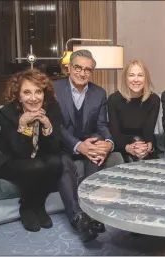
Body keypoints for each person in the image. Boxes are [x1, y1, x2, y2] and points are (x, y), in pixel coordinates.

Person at [0, 69, 63, 232]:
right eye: (27, 92)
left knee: (56, 162)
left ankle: (39, 205)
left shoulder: (52, 108)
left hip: (36, 157)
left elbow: (53, 148)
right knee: (36, 166)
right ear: (18, 96)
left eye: (38, 92)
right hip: (6, 159)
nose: (33, 98)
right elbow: (21, 153)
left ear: (44, 94)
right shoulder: (7, 113)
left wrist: (47, 126)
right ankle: (26, 207)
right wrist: (23, 126)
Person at [54, 50, 120, 242]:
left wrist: (108, 143)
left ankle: (91, 214)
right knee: (62, 165)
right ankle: (78, 217)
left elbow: (102, 125)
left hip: (90, 144)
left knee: (97, 159)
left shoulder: (99, 93)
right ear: (69, 68)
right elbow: (55, 126)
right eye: (78, 68)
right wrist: (77, 145)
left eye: (88, 70)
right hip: (62, 146)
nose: (82, 73)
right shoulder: (54, 89)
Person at [108, 60, 160, 162]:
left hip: (143, 146)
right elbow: (115, 134)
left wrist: (148, 145)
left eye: (140, 75)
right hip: (122, 147)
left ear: (146, 78)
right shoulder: (114, 99)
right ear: (125, 78)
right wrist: (128, 147)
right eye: (131, 75)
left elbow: (148, 132)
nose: (136, 79)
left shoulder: (154, 100)